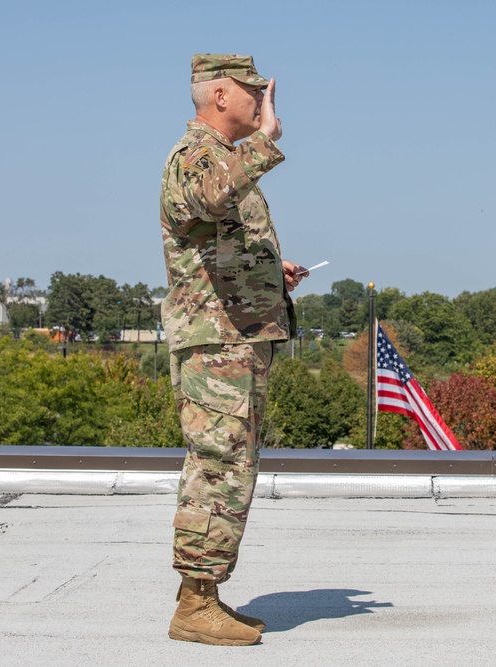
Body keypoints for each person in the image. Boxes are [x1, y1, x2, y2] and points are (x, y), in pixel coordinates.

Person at [159, 53, 307, 647]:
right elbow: (211, 198)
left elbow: (216, 238)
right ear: (221, 95)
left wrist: (270, 270)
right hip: (216, 345)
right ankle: (195, 601)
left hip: (238, 339)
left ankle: (205, 594)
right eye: (254, 93)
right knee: (217, 467)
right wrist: (267, 140)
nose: (262, 105)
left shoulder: (221, 160)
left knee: (232, 468)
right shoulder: (196, 156)